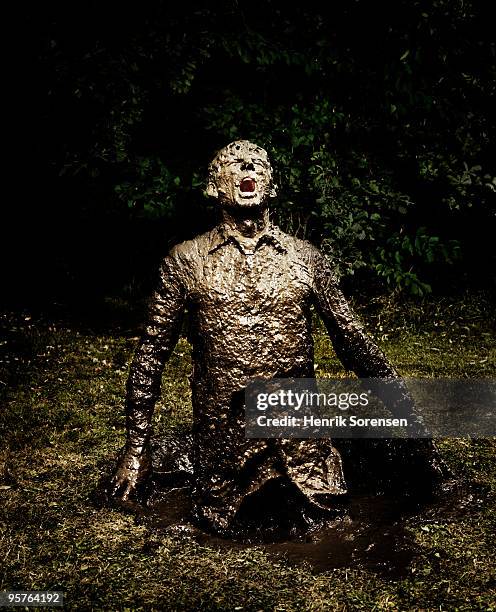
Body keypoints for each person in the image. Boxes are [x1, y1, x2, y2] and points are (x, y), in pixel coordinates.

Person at [108, 140, 445, 534]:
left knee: (326, 519)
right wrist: (135, 449)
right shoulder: (186, 261)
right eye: (233, 163)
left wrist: (413, 423)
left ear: (272, 185)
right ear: (214, 186)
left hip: (301, 446)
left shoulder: (305, 258)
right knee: (230, 520)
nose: (247, 166)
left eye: (257, 163)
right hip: (226, 448)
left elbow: (355, 342)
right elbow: (151, 354)